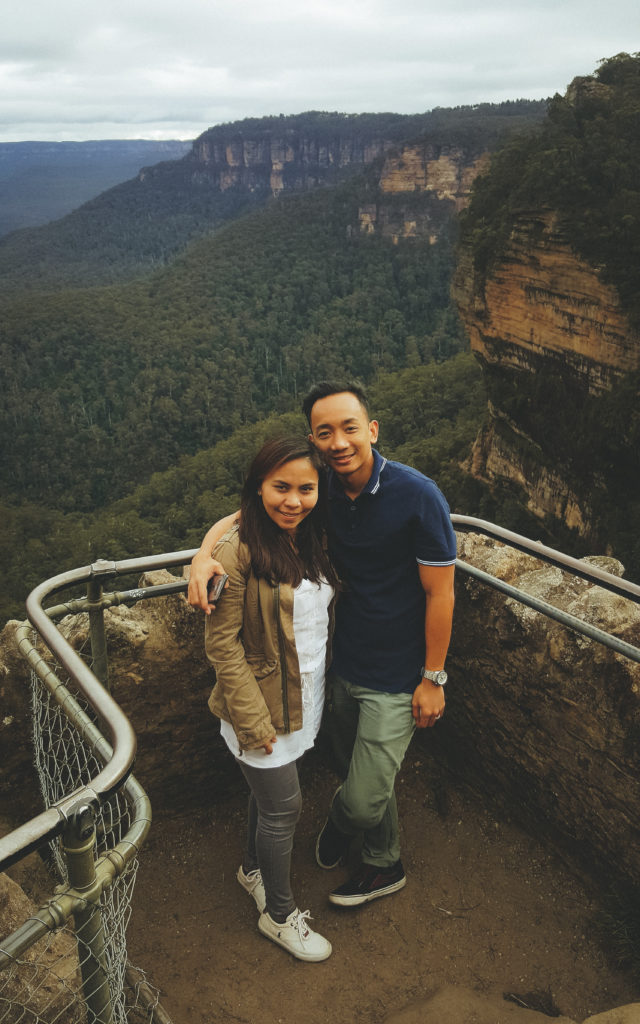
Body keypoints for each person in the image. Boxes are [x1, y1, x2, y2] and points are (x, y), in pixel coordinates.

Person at [190, 381, 456, 909]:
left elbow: (441, 591)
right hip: (340, 664)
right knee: (349, 765)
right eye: (325, 432)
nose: (339, 442)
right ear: (314, 440)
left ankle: (344, 826)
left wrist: (433, 677)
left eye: (349, 428)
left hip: (399, 671)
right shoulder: (320, 487)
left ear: (372, 430)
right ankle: (384, 860)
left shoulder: (417, 494)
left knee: (359, 797)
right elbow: (248, 514)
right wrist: (203, 555)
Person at [204, 436, 339, 962]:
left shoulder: (309, 538)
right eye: (280, 487)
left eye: (306, 488)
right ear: (258, 488)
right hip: (259, 710)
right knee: (285, 808)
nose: (293, 500)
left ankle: (251, 868)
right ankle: (278, 916)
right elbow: (222, 647)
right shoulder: (235, 554)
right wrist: (253, 723)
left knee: (266, 801)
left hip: (303, 699)